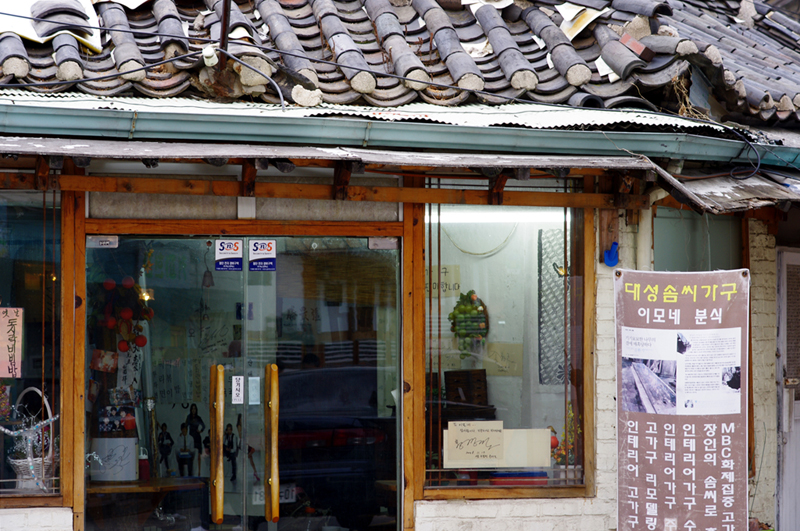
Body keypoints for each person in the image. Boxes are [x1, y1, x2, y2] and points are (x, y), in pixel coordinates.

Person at [185, 403, 205, 472]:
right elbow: (185, 426)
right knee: (191, 454)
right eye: (192, 409)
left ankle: (199, 471)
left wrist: (200, 431)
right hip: (191, 437)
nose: (193, 410)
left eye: (195, 409)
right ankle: (192, 470)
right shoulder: (188, 417)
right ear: (191, 410)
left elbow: (203, 426)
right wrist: (184, 434)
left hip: (197, 437)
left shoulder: (198, 418)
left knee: (198, 455)